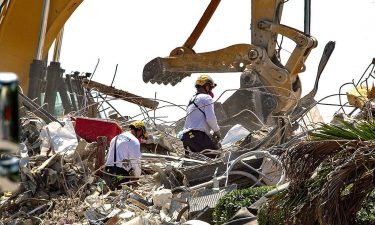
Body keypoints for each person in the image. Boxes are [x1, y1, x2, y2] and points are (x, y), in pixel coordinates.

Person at [181, 75, 222, 157]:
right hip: (197, 136)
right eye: (210, 88)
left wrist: (209, 135)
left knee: (197, 163)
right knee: (217, 157)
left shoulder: (192, 99)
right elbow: (210, 118)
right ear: (206, 86)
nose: (211, 90)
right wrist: (217, 131)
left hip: (186, 138)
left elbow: (197, 123)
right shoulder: (207, 98)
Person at [104, 121, 147, 190]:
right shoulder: (134, 141)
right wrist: (137, 177)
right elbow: (136, 163)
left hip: (107, 173)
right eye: (141, 135)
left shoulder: (115, 138)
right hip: (119, 176)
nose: (140, 138)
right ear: (139, 131)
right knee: (123, 194)